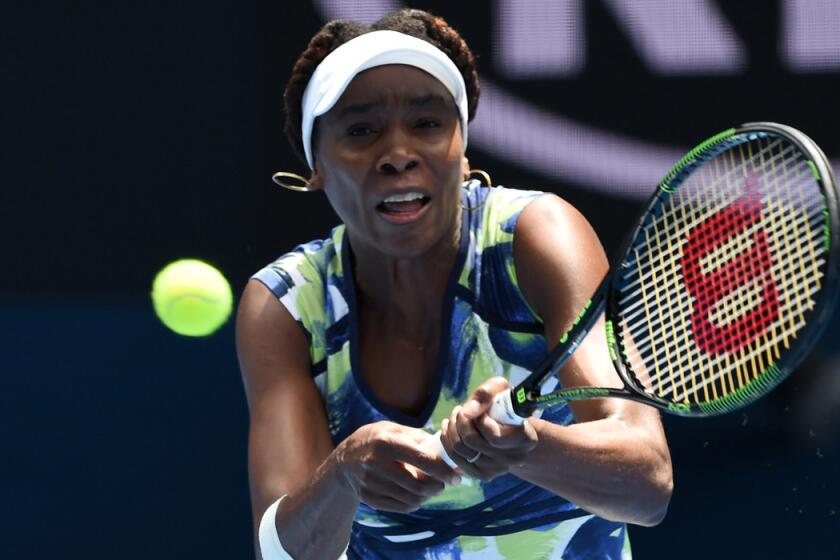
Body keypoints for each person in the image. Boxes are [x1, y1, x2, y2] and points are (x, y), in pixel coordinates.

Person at [236, 8, 673, 560]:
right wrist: (342, 476)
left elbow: (648, 482)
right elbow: (280, 553)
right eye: (361, 129)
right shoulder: (286, 306)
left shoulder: (534, 238)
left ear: (462, 149)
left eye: (427, 123)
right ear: (314, 161)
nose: (397, 155)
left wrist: (528, 446)